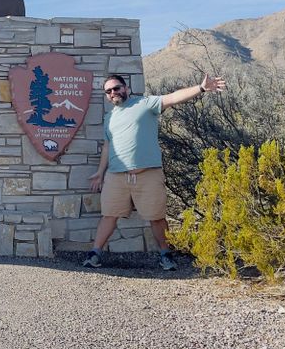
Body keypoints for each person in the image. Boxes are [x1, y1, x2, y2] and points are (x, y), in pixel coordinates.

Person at [84, 73, 226, 270]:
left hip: (148, 174)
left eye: (116, 88)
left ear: (126, 89)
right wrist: (100, 173)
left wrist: (200, 88)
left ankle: (165, 255)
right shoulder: (109, 118)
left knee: (156, 217)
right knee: (109, 216)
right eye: (108, 91)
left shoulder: (145, 104)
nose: (113, 93)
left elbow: (173, 97)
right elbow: (108, 146)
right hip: (116, 176)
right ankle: (94, 254)